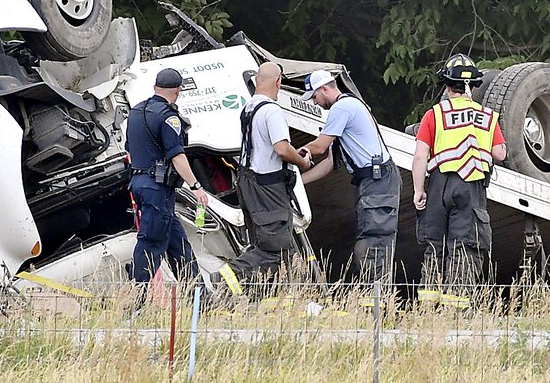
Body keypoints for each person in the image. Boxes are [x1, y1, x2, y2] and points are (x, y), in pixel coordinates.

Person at [211, 62, 314, 298]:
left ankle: (251, 298)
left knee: (263, 248)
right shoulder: (272, 110)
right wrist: (302, 162)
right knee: (274, 251)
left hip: (248, 184)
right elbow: (280, 149)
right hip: (268, 189)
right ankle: (222, 281)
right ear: (278, 82)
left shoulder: (248, 109)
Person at [410, 54, 506, 288]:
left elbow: (421, 155)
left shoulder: (435, 114)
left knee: (435, 244)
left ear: (447, 85)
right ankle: (457, 308)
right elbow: (500, 153)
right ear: (473, 86)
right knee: (465, 244)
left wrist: (418, 190)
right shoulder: (488, 116)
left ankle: (429, 307)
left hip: (439, 185)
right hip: (471, 186)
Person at [300, 70, 400, 285]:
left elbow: (319, 146)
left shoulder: (342, 107)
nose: (315, 103)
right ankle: (369, 295)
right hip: (372, 181)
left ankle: (375, 300)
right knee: (369, 239)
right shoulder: (345, 110)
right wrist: (299, 182)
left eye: (315, 97)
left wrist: (298, 152)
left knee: (374, 241)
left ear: (324, 89)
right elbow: (329, 163)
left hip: (377, 180)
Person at [125, 67, 210, 289]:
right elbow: (177, 156)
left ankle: (199, 297)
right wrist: (196, 186)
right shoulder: (169, 117)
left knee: (178, 244)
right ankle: (136, 298)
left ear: (156, 87)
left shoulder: (135, 112)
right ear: (178, 91)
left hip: (139, 183)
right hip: (157, 189)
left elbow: (130, 151)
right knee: (151, 243)